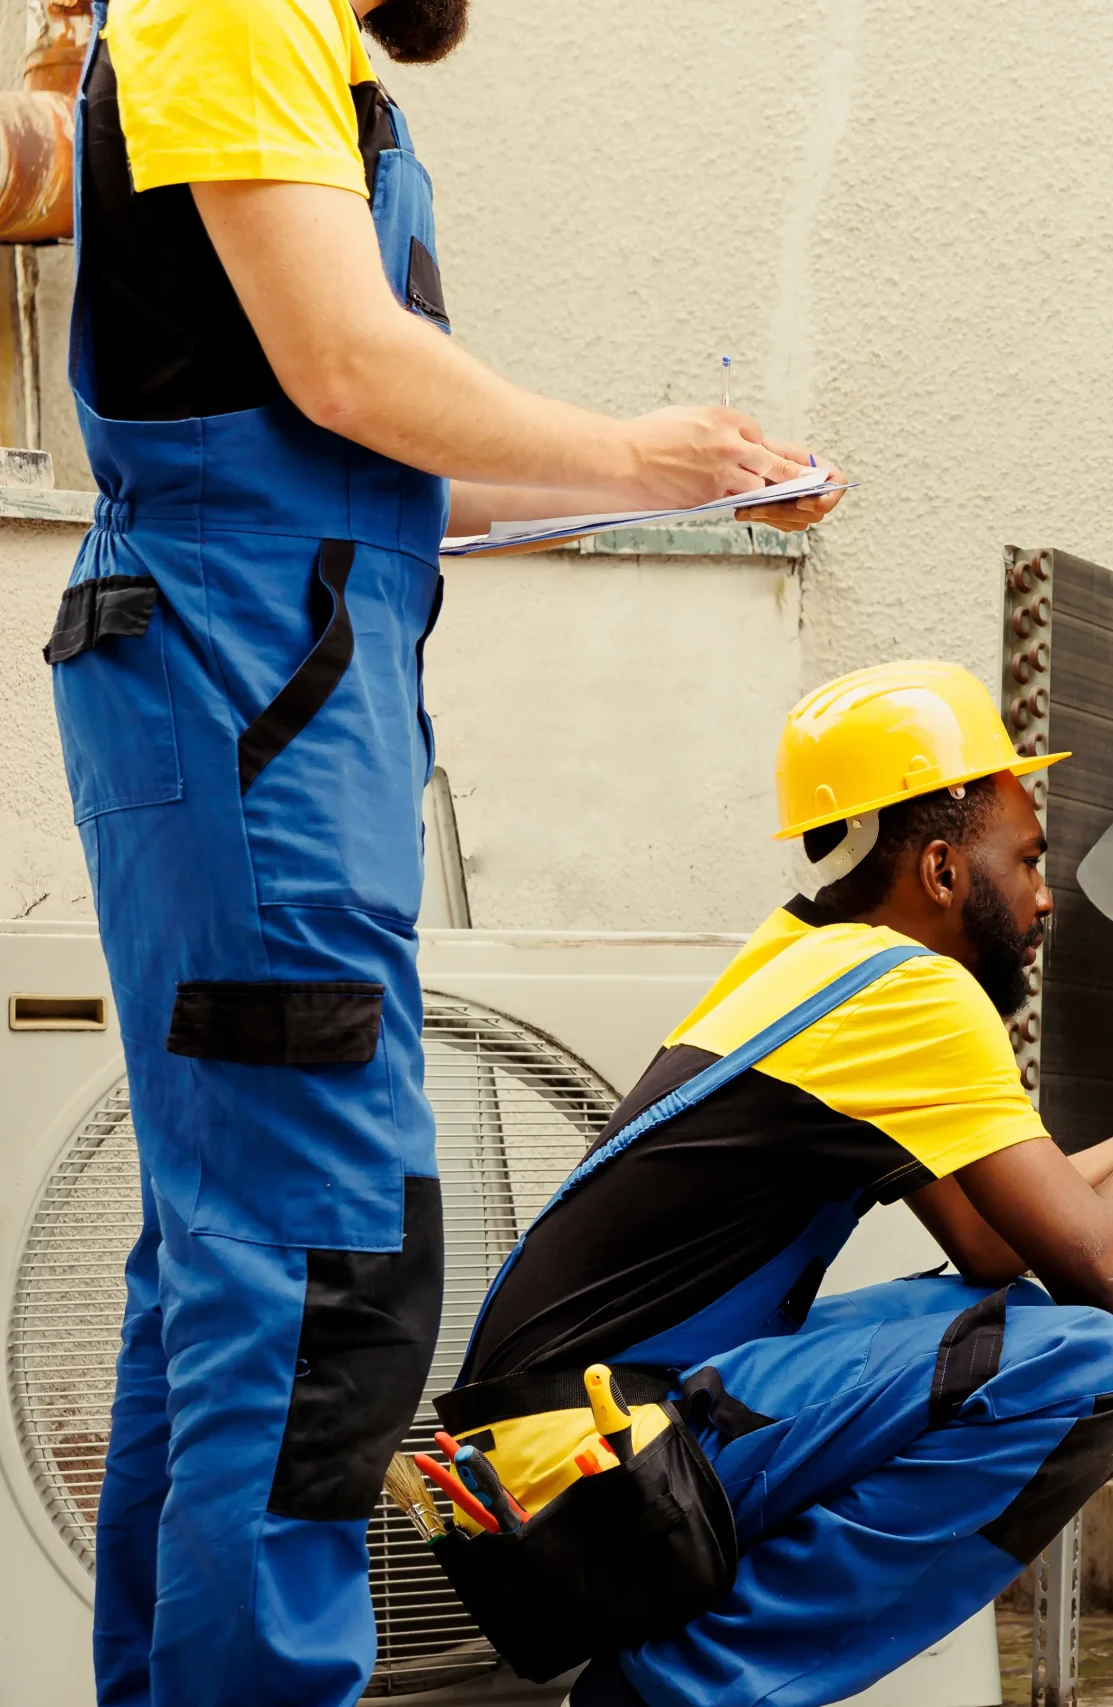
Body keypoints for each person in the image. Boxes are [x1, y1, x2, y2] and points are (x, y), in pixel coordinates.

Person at [49, 2, 843, 1703]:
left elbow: (376, 450)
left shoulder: (310, 52)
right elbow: (349, 365)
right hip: (247, 688)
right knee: (322, 1270)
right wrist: (636, 443)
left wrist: (671, 485)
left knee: (235, 1267)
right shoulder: (235, 2)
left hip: (271, 696)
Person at [445, 661, 1113, 1707]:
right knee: (1082, 1364)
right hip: (599, 1478)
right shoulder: (912, 989)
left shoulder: (812, 960)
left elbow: (999, 1245)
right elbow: (1109, 1272)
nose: (1045, 898)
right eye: (1028, 859)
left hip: (540, 1468)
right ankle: (684, 1693)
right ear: (945, 870)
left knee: (989, 1310)